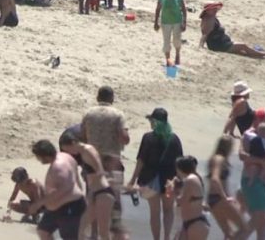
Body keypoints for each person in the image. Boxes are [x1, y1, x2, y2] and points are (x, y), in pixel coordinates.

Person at [81, 86, 129, 239]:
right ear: (112, 99)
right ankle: (111, 233)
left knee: (92, 197)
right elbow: (125, 137)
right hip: (111, 161)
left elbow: (82, 135)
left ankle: (94, 233)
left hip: (91, 161)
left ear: (97, 98)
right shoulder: (118, 114)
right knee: (113, 199)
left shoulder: (89, 113)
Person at [126, 108, 183, 240]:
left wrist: (132, 180)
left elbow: (141, 160)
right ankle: (167, 237)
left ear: (155, 122)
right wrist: (179, 182)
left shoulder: (148, 138)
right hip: (169, 180)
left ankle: (156, 238)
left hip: (149, 179)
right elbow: (180, 163)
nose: (150, 123)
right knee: (169, 210)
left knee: (155, 213)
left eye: (151, 120)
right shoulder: (174, 139)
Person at [59, 130, 114, 240]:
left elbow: (100, 170)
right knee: (82, 229)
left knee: (104, 233)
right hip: (95, 193)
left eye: (68, 149)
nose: (69, 153)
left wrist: (92, 191)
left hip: (103, 193)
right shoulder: (83, 153)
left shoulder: (88, 150)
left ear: (73, 143)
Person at [30, 139, 86, 240]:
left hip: (70, 207)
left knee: (70, 237)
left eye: (38, 157)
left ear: (45, 156)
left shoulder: (58, 167)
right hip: (57, 208)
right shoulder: (66, 156)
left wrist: (39, 203)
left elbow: (64, 188)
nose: (38, 159)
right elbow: (76, 179)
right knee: (43, 231)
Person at [205, 136, 249, 240]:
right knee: (244, 229)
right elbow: (215, 179)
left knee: (228, 233)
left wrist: (228, 196)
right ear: (227, 147)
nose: (232, 149)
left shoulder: (215, 158)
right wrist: (224, 197)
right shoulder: (219, 159)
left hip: (213, 199)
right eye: (231, 146)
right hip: (219, 198)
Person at [200, 2, 265, 59]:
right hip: (219, 45)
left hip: (223, 43)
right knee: (243, 46)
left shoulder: (211, 18)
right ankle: (263, 54)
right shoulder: (208, 21)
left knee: (241, 51)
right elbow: (205, 34)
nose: (216, 10)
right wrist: (201, 47)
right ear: (208, 11)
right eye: (213, 9)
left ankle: (258, 55)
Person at [239, 122, 265, 239]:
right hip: (253, 184)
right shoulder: (251, 143)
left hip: (258, 184)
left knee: (264, 218)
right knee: (258, 218)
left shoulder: (251, 139)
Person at [171, 156, 209, 240]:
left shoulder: (190, 180)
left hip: (195, 223)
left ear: (181, 169)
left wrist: (173, 190)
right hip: (189, 223)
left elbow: (181, 201)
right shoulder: (192, 179)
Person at [154, 0, 187, 67]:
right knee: (166, 42)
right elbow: (158, 9)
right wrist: (156, 22)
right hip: (165, 22)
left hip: (177, 21)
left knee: (177, 40)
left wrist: (184, 22)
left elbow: (184, 10)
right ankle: (168, 59)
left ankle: (177, 54)